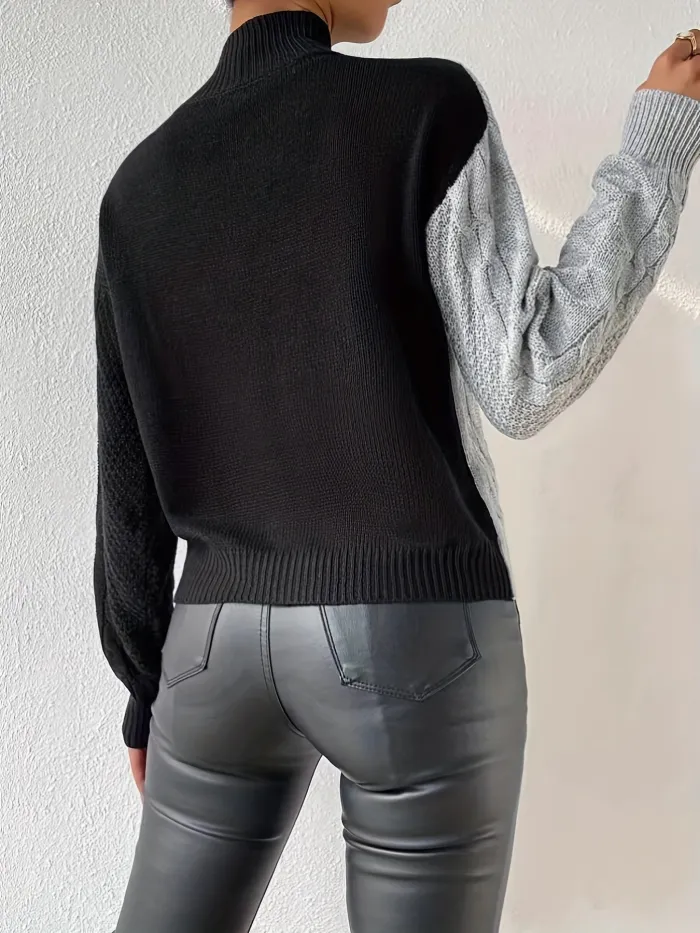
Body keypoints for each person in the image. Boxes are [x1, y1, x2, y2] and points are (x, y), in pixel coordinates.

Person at [93, 0, 700, 929]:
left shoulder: (138, 186)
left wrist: (147, 694)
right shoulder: (424, 107)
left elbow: (126, 495)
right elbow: (527, 375)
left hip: (209, 654)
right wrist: (658, 142)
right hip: (413, 630)